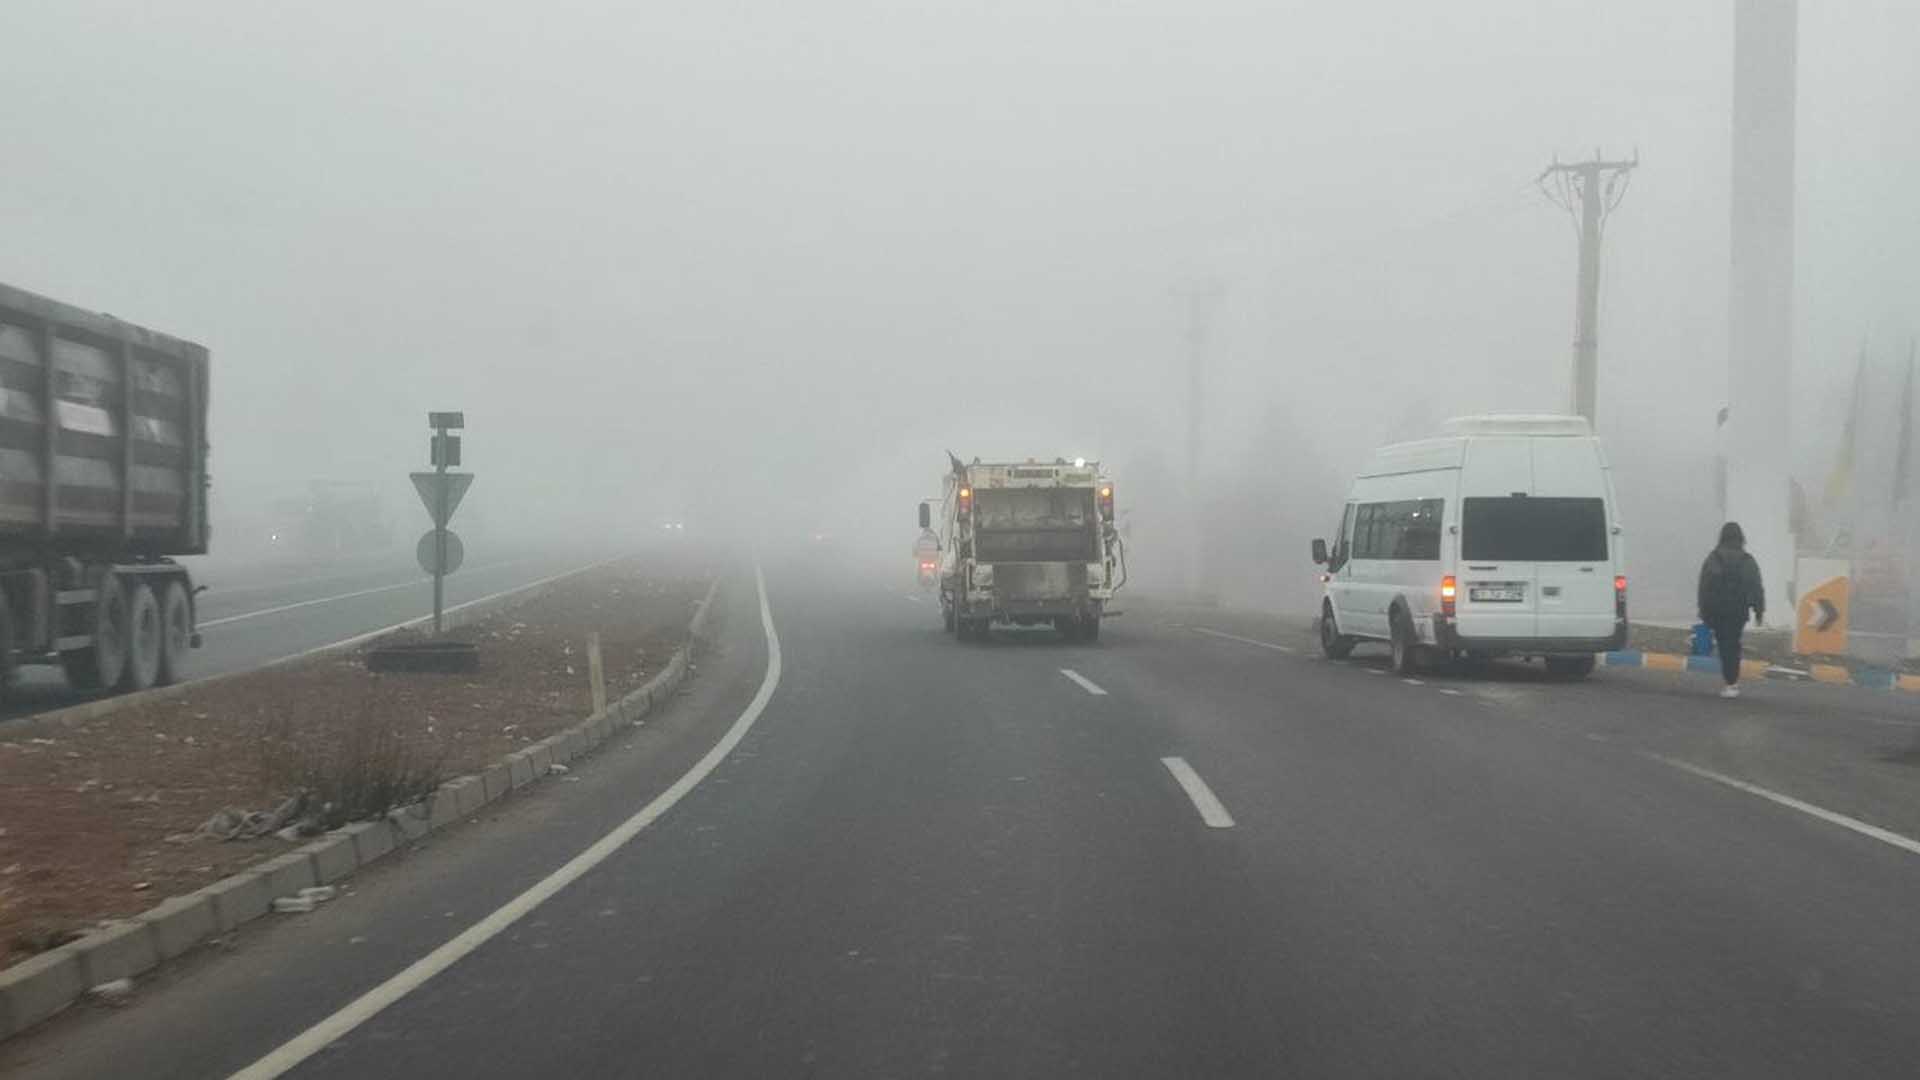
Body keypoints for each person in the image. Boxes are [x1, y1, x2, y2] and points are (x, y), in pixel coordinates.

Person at [1697, 522, 1766, 698]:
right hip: (1738, 610)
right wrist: (1759, 610)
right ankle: (1732, 683)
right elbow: (1756, 586)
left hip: (1718, 610)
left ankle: (1729, 681)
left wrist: (1703, 609)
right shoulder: (1747, 560)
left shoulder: (1714, 558)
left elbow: (1705, 586)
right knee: (1733, 644)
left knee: (1723, 644)